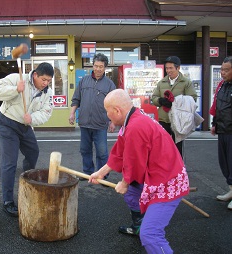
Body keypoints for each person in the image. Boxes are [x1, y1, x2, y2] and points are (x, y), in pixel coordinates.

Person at [89, 89, 190, 254]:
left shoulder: (136, 126)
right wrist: (101, 172)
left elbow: (134, 163)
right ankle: (139, 224)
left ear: (117, 110)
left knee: (150, 235)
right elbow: (121, 151)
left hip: (168, 182)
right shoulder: (134, 117)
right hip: (157, 175)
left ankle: (147, 226)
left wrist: (124, 182)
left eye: (107, 111)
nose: (107, 115)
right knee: (131, 194)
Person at [0, 62, 54, 217]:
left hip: (26, 126)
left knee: (33, 152)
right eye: (44, 80)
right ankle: (7, 201)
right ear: (35, 75)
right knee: (10, 162)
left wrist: (32, 118)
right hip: (7, 122)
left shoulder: (48, 92)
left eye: (49, 80)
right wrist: (15, 90)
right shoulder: (16, 78)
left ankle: (26, 184)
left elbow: (46, 112)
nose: (46, 83)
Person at [69, 53, 116, 179]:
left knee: (102, 152)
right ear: (92, 66)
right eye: (96, 66)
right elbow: (76, 99)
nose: (98, 69)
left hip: (100, 124)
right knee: (85, 150)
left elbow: (113, 105)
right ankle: (88, 173)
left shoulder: (110, 84)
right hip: (84, 123)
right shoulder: (84, 80)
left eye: (101, 66)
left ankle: (102, 175)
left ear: (105, 67)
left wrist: (112, 121)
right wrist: (72, 113)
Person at [152, 56, 197, 157]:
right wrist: (160, 100)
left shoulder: (186, 82)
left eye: (171, 68)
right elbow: (154, 97)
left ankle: (179, 170)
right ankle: (165, 168)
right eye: (167, 68)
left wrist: (176, 102)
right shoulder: (162, 82)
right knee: (163, 146)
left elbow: (193, 98)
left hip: (178, 120)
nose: (168, 70)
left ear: (178, 68)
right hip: (164, 119)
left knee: (177, 147)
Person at [209, 56, 232, 210]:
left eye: (226, 70)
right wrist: (214, 124)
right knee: (224, 163)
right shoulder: (222, 85)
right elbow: (217, 106)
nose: (222, 73)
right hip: (223, 129)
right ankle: (231, 190)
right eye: (222, 69)